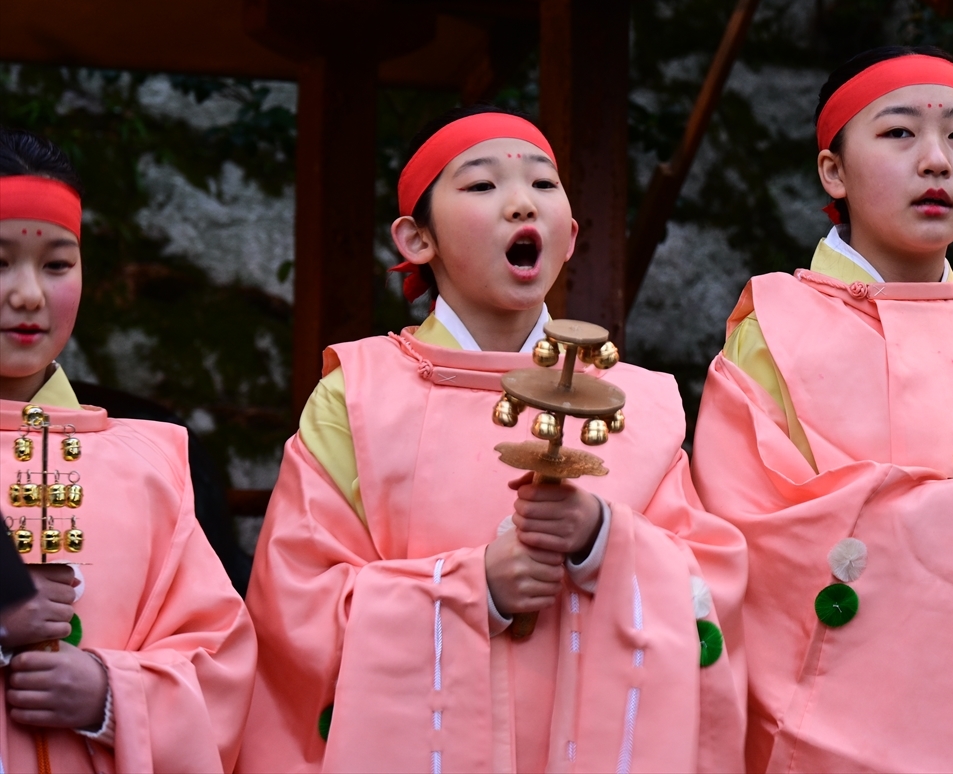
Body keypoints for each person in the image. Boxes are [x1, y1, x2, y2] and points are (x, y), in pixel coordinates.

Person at [241, 107, 747, 772]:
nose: (518, 203)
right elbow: (295, 609)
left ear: (569, 235)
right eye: (481, 186)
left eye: (542, 185)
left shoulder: (640, 404)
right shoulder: (358, 396)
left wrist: (603, 539)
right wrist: (472, 589)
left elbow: (709, 590)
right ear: (416, 238)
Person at [693, 47, 953, 772]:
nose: (936, 161)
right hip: (835, 718)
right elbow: (751, 533)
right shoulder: (776, 327)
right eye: (898, 134)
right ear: (834, 171)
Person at [0, 127, 255, 771]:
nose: (28, 294)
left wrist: (111, 695)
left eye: (57, 263)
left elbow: (224, 670)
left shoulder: (151, 465)